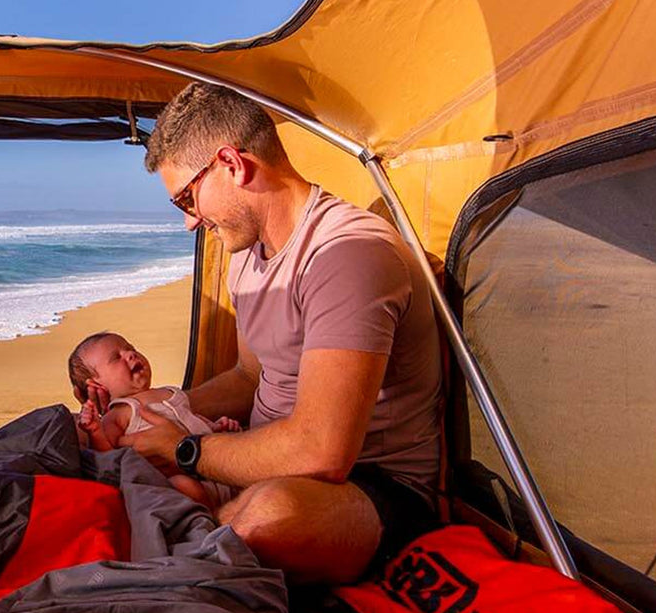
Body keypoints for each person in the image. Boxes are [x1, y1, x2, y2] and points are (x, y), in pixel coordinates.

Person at [101, 83, 443, 584]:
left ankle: (177, 560)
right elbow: (248, 376)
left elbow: (322, 452)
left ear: (232, 164)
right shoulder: (246, 257)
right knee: (126, 469)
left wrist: (186, 450)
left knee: (270, 515)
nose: (190, 223)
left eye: (186, 199)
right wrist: (157, 412)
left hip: (369, 484)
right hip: (266, 456)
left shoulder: (346, 256)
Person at [68, 330, 238, 507]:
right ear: (96, 385)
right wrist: (95, 432)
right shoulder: (119, 414)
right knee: (183, 485)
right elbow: (110, 459)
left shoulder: (168, 391)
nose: (130, 354)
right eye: (116, 358)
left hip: (214, 467)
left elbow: (189, 417)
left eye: (130, 348)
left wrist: (214, 427)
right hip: (188, 482)